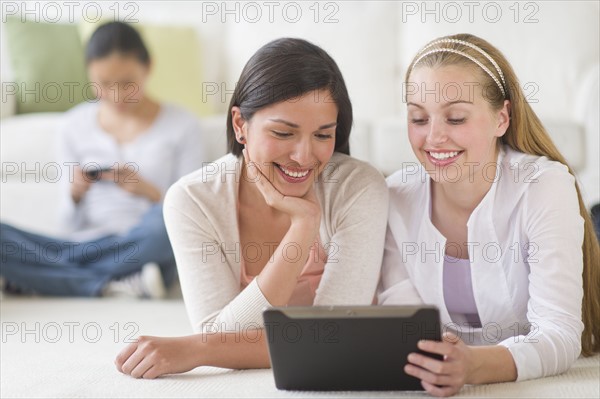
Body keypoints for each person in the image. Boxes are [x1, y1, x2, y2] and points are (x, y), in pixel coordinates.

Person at [114, 37, 389, 378]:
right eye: (284, 133)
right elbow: (220, 334)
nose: (304, 157)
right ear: (240, 124)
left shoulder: (358, 188)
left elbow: (332, 336)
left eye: (322, 135)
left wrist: (197, 349)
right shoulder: (192, 200)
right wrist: (300, 233)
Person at [378, 33, 600, 396]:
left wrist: (474, 365)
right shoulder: (394, 197)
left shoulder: (543, 186)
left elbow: (559, 334)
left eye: (455, 118)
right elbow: (407, 332)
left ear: (502, 118)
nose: (433, 137)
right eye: (418, 118)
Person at [0, 21, 205, 298]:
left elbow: (192, 216)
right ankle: (113, 283)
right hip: (84, 243)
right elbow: (67, 224)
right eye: (105, 84)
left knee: (167, 226)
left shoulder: (183, 125)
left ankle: (45, 276)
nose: (116, 95)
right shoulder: (72, 125)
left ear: (149, 67)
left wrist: (150, 192)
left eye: (127, 83)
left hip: (148, 245)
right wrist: (74, 195)